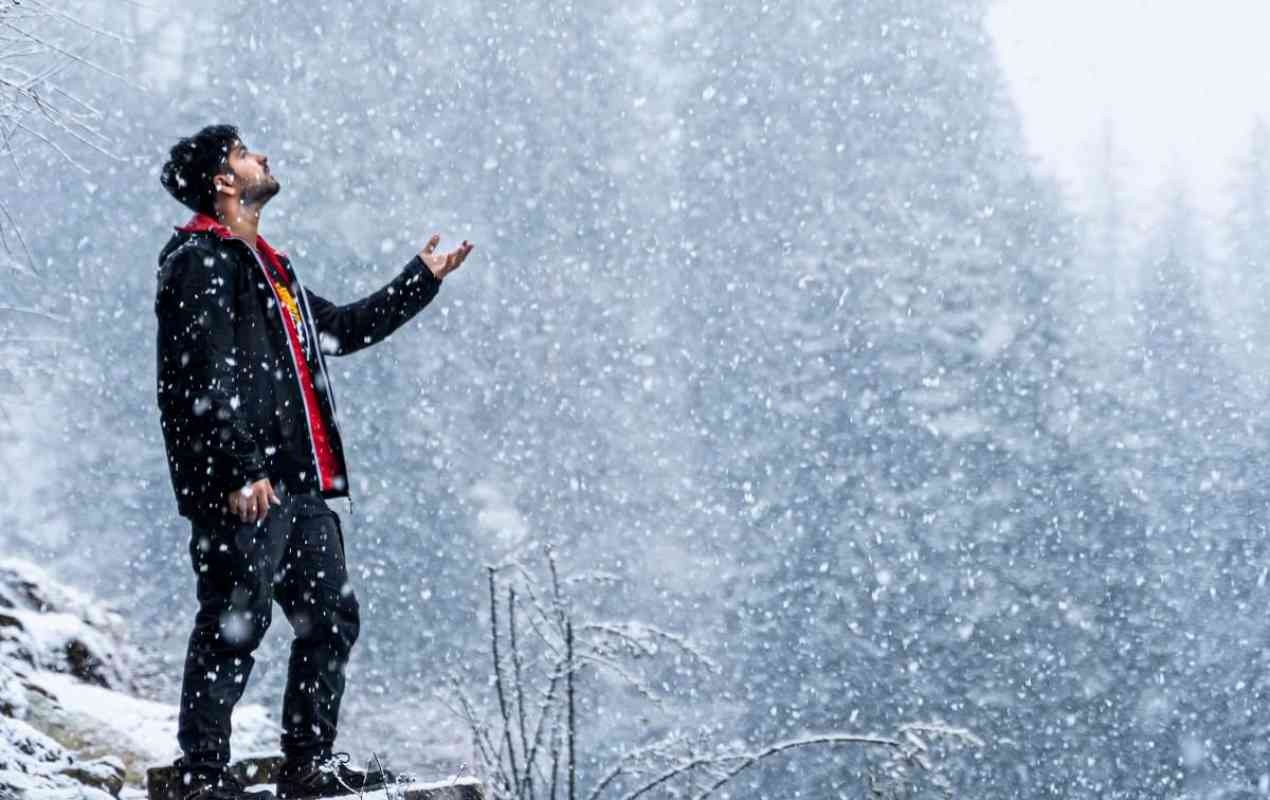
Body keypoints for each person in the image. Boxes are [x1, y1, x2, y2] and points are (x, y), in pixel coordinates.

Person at [154, 124, 474, 800]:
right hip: (242, 488)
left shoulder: (271, 267)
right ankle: (201, 777)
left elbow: (341, 330)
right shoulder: (198, 260)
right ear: (221, 181)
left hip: (300, 488)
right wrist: (240, 467)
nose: (260, 156)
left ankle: (307, 767)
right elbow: (200, 376)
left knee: (330, 619)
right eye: (243, 152)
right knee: (233, 620)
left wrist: (419, 281)